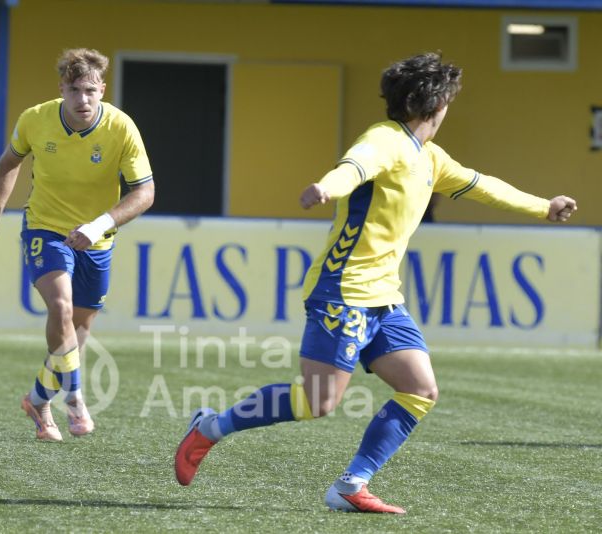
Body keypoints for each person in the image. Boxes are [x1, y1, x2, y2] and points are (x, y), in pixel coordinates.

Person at [174, 52, 577, 513]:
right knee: (316, 402)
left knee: (420, 390)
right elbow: (356, 166)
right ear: (437, 104)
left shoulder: (431, 157)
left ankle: (351, 485)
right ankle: (210, 428)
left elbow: (483, 185)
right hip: (342, 291)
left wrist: (543, 206)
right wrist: (328, 187)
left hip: (384, 298)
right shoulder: (384, 140)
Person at [0, 48, 154, 442]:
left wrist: (99, 224)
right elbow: (8, 163)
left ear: (102, 89)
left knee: (78, 331)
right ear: (62, 89)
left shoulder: (121, 128)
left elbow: (145, 191)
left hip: (97, 240)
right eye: (74, 90)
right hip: (45, 229)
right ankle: (75, 398)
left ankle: (38, 399)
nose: (82, 99)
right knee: (61, 306)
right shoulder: (36, 119)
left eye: (90, 90)